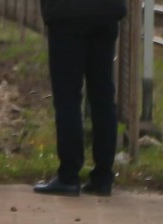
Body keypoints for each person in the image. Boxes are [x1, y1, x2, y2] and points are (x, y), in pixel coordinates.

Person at [34, 0, 128, 197]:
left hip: (66, 14)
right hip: (106, 13)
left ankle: (68, 176)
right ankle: (103, 178)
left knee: (67, 96)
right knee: (103, 96)